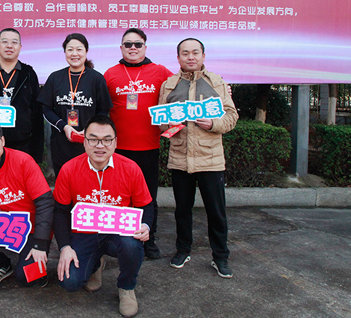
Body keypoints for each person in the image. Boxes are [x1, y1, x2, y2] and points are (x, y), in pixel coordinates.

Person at [53, 115, 153, 318]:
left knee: (132, 244)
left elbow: (146, 205)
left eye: (107, 140)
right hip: (84, 233)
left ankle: (126, 287)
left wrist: (146, 226)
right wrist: (64, 247)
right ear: (84, 142)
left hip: (118, 232)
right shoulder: (69, 169)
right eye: (93, 139)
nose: (100, 146)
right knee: (70, 282)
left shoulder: (130, 168)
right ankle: (95, 265)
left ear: (115, 142)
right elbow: (61, 212)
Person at [158, 38, 238, 278]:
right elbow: (161, 121)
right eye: (185, 53)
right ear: (178, 58)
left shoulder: (216, 82)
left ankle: (220, 256)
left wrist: (213, 124)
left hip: (210, 159)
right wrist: (170, 124)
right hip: (180, 158)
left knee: (216, 212)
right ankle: (183, 250)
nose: (190, 57)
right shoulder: (169, 85)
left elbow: (232, 116)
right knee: (182, 210)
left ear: (203, 56)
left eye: (195, 52)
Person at [104, 28, 173, 260]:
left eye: (137, 44)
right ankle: (120, 238)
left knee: (148, 197)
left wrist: (221, 90)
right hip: (117, 149)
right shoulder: (110, 74)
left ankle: (148, 240)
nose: (132, 48)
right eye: (128, 44)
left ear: (145, 47)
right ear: (121, 48)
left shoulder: (160, 71)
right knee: (120, 196)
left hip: (149, 147)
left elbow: (184, 88)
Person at [0, 120, 54, 289]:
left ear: (3, 141)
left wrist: (40, 243)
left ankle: (35, 260)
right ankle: (1, 264)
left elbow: (45, 202)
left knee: (28, 278)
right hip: (0, 225)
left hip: (31, 228)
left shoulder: (23, 161)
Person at [38, 33, 112, 177]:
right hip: (61, 143)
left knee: (88, 181)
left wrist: (89, 129)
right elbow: (46, 109)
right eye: (70, 49)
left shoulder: (97, 79)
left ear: (86, 51)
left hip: (90, 143)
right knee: (64, 181)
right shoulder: (55, 77)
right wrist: (64, 126)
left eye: (79, 49)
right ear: (65, 52)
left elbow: (103, 110)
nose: (74, 54)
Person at [0, 28, 44, 163]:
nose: (9, 46)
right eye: (5, 42)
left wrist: (36, 152)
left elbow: (37, 114)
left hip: (22, 142)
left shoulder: (28, 73)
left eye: (14, 42)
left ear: (20, 47)